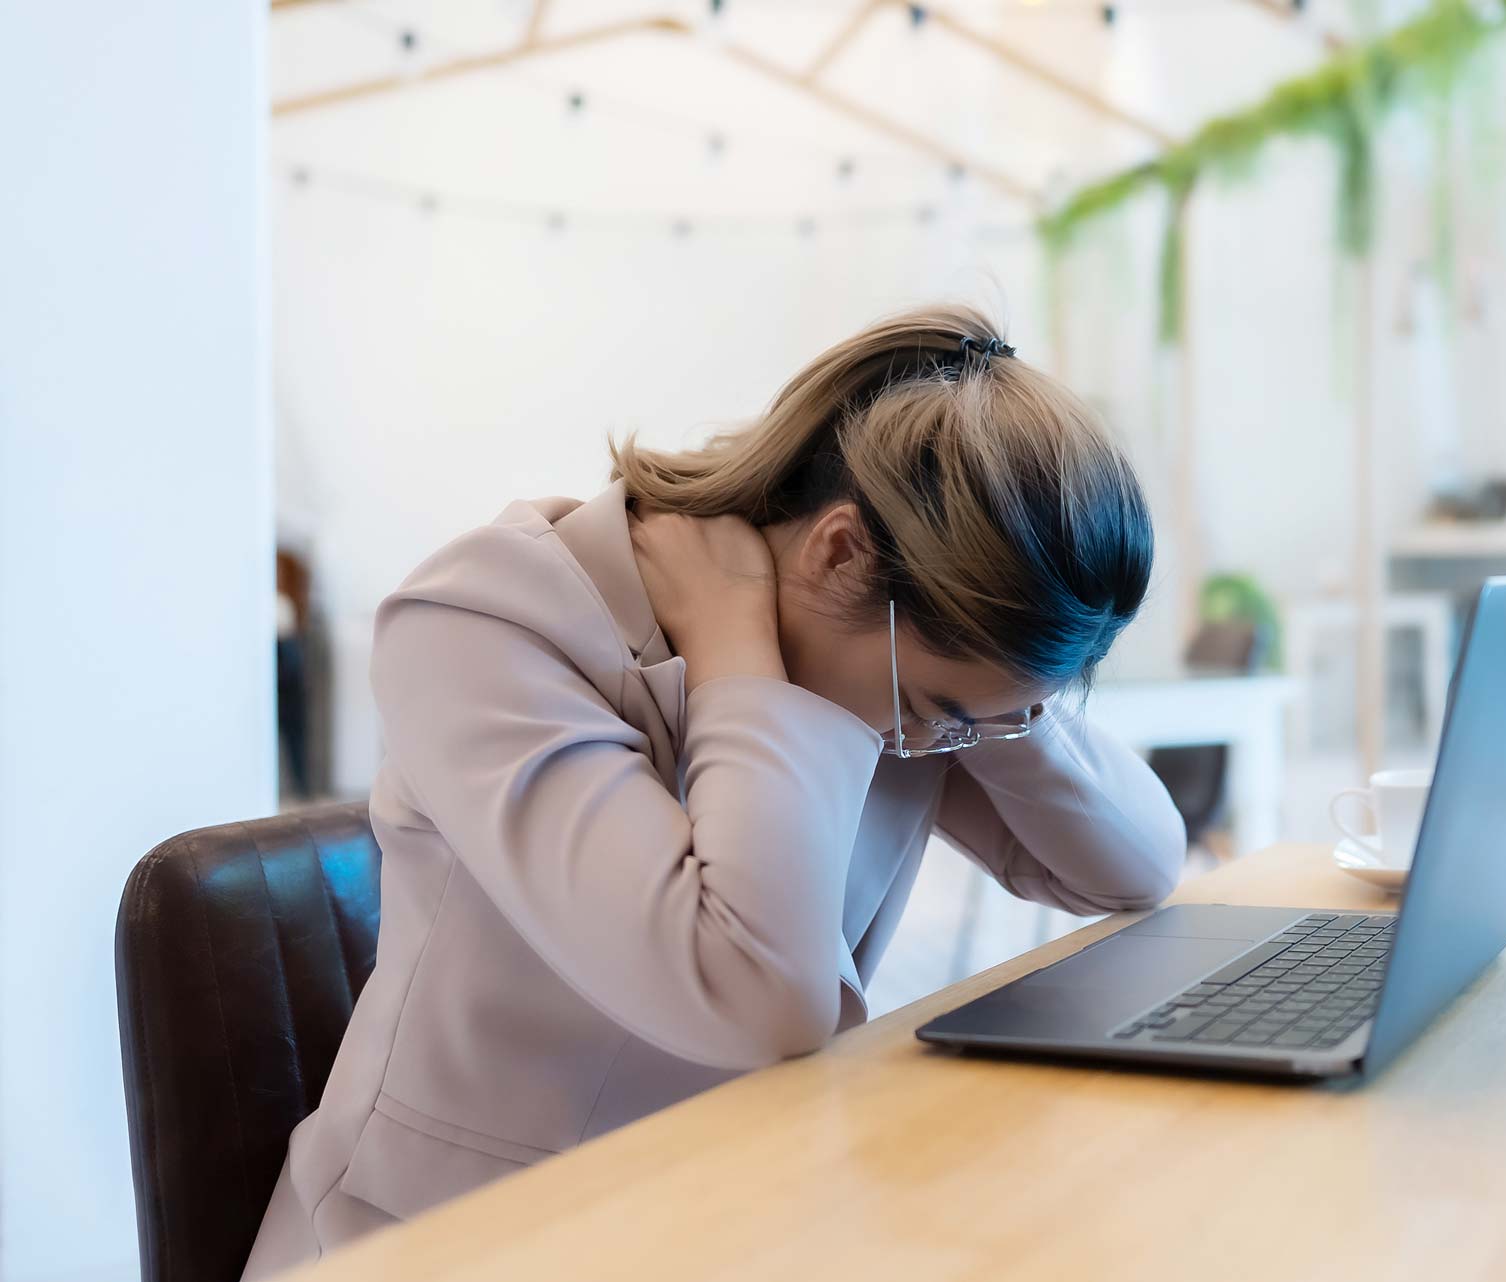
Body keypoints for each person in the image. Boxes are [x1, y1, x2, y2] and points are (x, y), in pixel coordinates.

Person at [243, 304, 1186, 1276]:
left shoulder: (886, 668)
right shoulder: (486, 620)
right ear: (838, 551)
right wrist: (739, 659)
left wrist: (1000, 704)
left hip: (738, 1213)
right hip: (455, 1239)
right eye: (945, 704)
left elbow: (1138, 866)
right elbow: (751, 994)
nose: (938, 740)